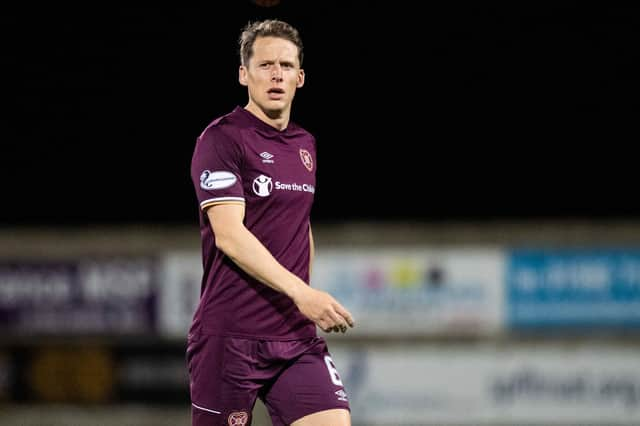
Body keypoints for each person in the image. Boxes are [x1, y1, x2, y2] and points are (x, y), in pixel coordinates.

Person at [187, 19, 355, 426]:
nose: (275, 74)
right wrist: (301, 293)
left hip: (294, 337)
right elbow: (229, 235)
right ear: (244, 74)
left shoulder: (305, 145)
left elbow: (301, 224)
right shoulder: (222, 139)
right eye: (264, 65)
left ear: (300, 77)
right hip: (230, 338)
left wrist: (305, 296)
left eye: (285, 65)